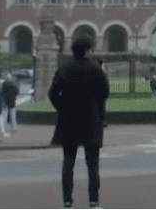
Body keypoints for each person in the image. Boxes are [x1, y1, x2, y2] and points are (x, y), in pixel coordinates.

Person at [49, 36, 109, 210]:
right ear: (88, 51)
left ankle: (67, 202)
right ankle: (94, 202)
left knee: (68, 163)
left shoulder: (64, 69)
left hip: (69, 121)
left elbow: (53, 93)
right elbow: (105, 93)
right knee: (93, 165)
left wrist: (62, 107)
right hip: (91, 120)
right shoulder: (96, 70)